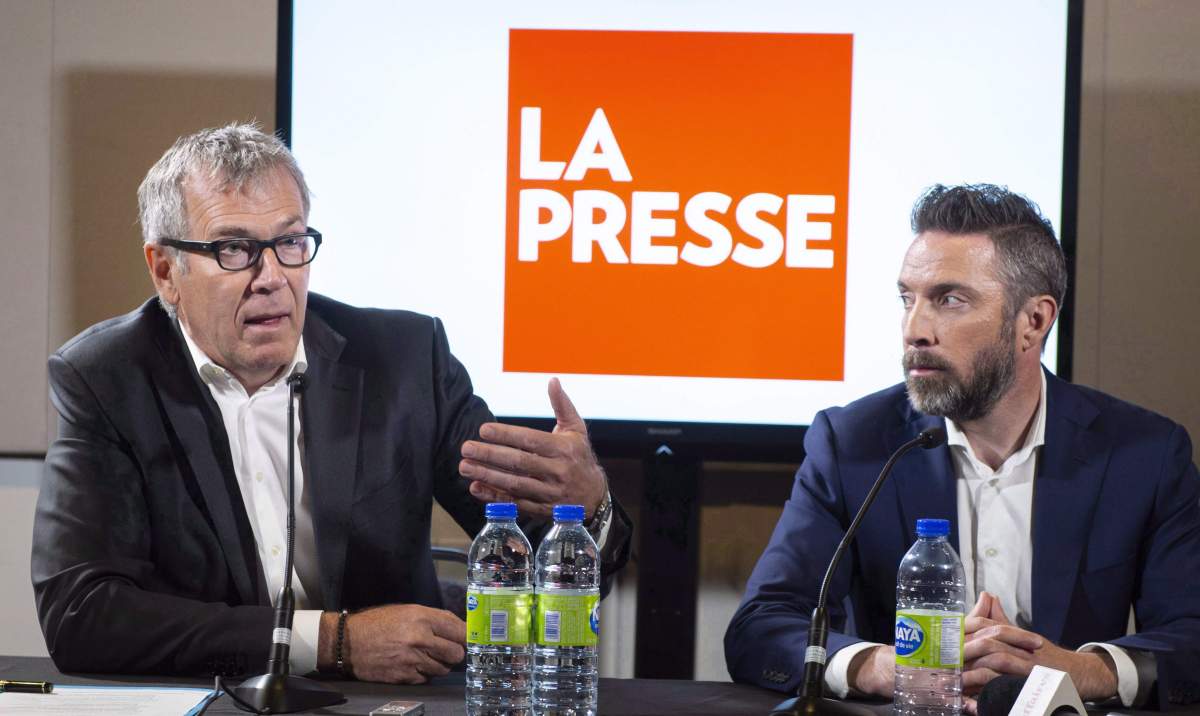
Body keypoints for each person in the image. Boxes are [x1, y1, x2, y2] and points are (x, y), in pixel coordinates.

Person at [31, 123, 631, 683]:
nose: (271, 276)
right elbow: (82, 614)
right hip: (214, 697)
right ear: (165, 270)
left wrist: (587, 510)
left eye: (290, 242)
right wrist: (332, 640)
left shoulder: (404, 360)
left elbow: (544, 559)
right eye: (233, 250)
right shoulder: (107, 379)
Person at [725, 184, 1200, 709]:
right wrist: (887, 666)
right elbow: (762, 626)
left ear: (1033, 322)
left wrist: (1084, 669)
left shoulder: (1143, 454)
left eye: (949, 300)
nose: (914, 330)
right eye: (908, 298)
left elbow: (1191, 634)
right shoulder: (852, 444)